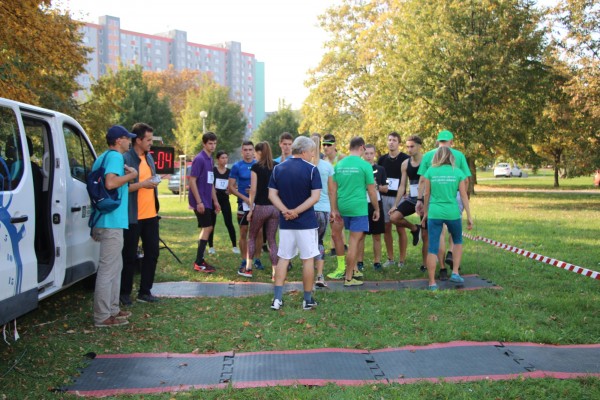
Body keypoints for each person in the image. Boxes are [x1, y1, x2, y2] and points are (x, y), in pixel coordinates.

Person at [92, 125, 138, 328]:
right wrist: (132, 175)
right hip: (110, 221)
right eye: (128, 139)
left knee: (115, 266)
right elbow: (110, 183)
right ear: (119, 140)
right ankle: (102, 316)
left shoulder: (103, 157)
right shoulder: (115, 157)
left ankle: (112, 309)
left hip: (106, 219)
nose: (130, 142)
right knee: (108, 269)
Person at [268, 136, 322, 310]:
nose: (313, 155)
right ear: (305, 151)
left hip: (286, 223)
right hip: (305, 222)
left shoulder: (278, 169)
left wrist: (285, 211)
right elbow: (315, 197)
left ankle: (277, 299)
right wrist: (297, 212)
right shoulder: (312, 170)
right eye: (312, 152)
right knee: (307, 260)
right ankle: (307, 299)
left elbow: (272, 195)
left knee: (283, 258)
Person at [416, 130, 471, 280]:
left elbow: (422, 181)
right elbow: (465, 180)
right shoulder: (458, 155)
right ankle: (453, 258)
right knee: (455, 233)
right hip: (454, 197)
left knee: (437, 236)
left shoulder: (428, 156)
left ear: (437, 141)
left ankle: (440, 269)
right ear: (451, 142)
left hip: (434, 201)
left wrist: (420, 201)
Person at [330, 137, 380, 287]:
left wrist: (334, 209)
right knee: (353, 242)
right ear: (362, 147)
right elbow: (372, 191)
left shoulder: (339, 164)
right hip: (358, 207)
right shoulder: (365, 166)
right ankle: (349, 277)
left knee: (354, 239)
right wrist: (377, 208)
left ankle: (354, 270)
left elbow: (333, 190)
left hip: (343, 206)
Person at [120, 123, 161, 306]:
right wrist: (143, 184)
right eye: (148, 140)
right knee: (129, 256)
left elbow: (148, 181)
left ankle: (145, 291)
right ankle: (124, 293)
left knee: (152, 253)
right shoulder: (125, 159)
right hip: (133, 217)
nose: (151, 143)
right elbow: (121, 188)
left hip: (151, 216)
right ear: (138, 140)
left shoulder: (149, 158)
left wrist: (153, 182)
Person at [389, 135, 432, 271]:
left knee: (426, 235)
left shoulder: (428, 161)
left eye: (412, 146)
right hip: (412, 199)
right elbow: (402, 185)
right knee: (394, 217)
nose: (409, 149)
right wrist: (396, 204)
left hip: (425, 201)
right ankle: (414, 229)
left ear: (419, 146)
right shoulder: (405, 164)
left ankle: (425, 265)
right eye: (407, 146)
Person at [242, 142, 280, 278]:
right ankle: (275, 272)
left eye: (255, 153)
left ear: (259, 153)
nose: (253, 155)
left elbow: (253, 189)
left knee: (252, 236)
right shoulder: (276, 166)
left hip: (261, 206)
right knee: (272, 240)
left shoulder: (256, 167)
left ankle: (248, 268)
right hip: (275, 207)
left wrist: (251, 209)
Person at [189, 132, 221, 273]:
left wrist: (216, 201)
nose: (212, 146)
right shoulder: (200, 159)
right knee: (207, 228)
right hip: (201, 200)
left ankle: (200, 260)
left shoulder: (210, 160)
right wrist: (199, 202)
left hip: (208, 201)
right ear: (204, 144)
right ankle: (198, 262)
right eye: (210, 143)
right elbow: (192, 180)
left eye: (214, 143)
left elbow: (210, 182)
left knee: (207, 228)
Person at [229, 141, 263, 272]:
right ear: (242, 151)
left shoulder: (259, 165)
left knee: (259, 232)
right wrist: (245, 198)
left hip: (257, 203)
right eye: (245, 150)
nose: (248, 152)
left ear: (254, 151)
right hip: (242, 203)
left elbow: (265, 184)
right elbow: (231, 187)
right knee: (243, 232)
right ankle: (244, 260)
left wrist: (255, 193)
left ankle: (257, 259)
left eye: (250, 149)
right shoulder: (237, 166)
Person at [377, 132, 410, 268]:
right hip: (384, 197)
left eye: (394, 140)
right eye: (389, 140)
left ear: (399, 143)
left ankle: (402, 260)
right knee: (386, 228)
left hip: (399, 197)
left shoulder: (405, 158)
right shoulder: (382, 159)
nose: (391, 142)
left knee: (400, 228)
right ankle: (390, 259)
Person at [356, 144, 387, 271]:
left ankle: (377, 262)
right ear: (363, 154)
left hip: (376, 204)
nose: (368, 156)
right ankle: (359, 262)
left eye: (371, 153)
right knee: (361, 235)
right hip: (362, 203)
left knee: (377, 235)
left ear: (374, 154)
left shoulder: (380, 169)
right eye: (366, 153)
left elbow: (386, 188)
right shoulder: (359, 168)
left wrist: (376, 186)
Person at [311, 135, 334, 287]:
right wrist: (333, 210)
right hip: (323, 209)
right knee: (319, 242)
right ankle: (319, 275)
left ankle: (308, 270)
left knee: (308, 243)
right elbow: (332, 191)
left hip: (307, 209)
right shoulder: (327, 166)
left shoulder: (305, 165)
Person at [207, 150, 239, 255]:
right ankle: (211, 246)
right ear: (218, 159)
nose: (225, 159)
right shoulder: (213, 171)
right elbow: (208, 184)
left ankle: (234, 246)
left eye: (226, 157)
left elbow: (235, 185)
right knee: (212, 223)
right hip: (213, 200)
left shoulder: (230, 172)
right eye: (222, 158)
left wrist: (230, 190)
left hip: (225, 200)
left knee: (229, 223)